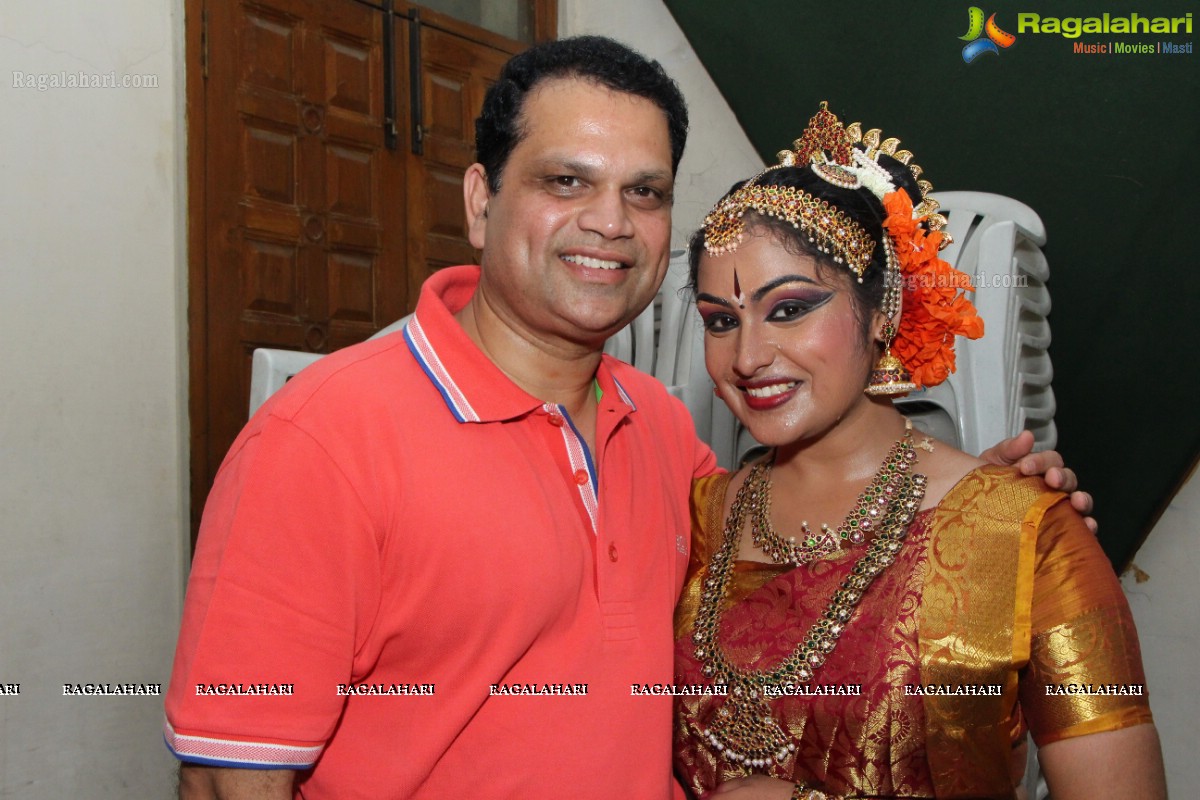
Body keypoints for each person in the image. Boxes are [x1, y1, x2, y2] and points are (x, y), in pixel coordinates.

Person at [165, 37, 1092, 799]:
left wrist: (993, 514)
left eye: (644, 192)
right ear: (482, 204)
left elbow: (806, 545)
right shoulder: (323, 441)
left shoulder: (656, 428)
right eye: (567, 182)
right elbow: (224, 781)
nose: (611, 222)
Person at [672, 104, 1165, 800]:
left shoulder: (1023, 537)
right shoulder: (691, 518)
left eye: (790, 309)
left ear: (882, 314)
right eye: (722, 321)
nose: (748, 356)